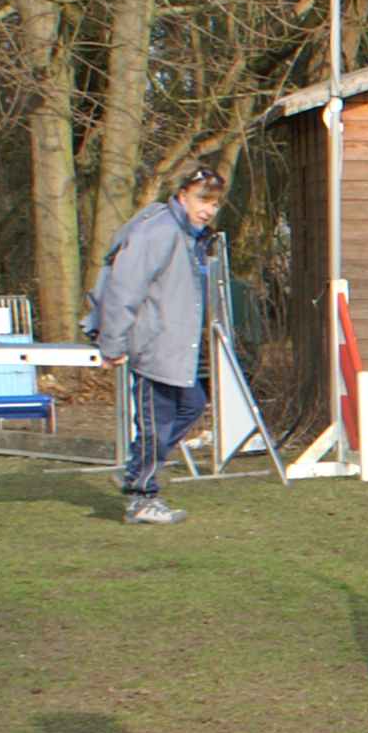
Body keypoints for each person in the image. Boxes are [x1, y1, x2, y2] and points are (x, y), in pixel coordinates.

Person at [87, 162, 227, 524]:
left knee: (191, 405)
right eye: (202, 200)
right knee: (156, 422)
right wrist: (113, 344)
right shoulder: (161, 231)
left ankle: (137, 471)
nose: (209, 210)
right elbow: (124, 289)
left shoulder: (187, 235)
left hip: (174, 347)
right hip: (152, 345)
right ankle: (142, 497)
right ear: (182, 196)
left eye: (214, 203)